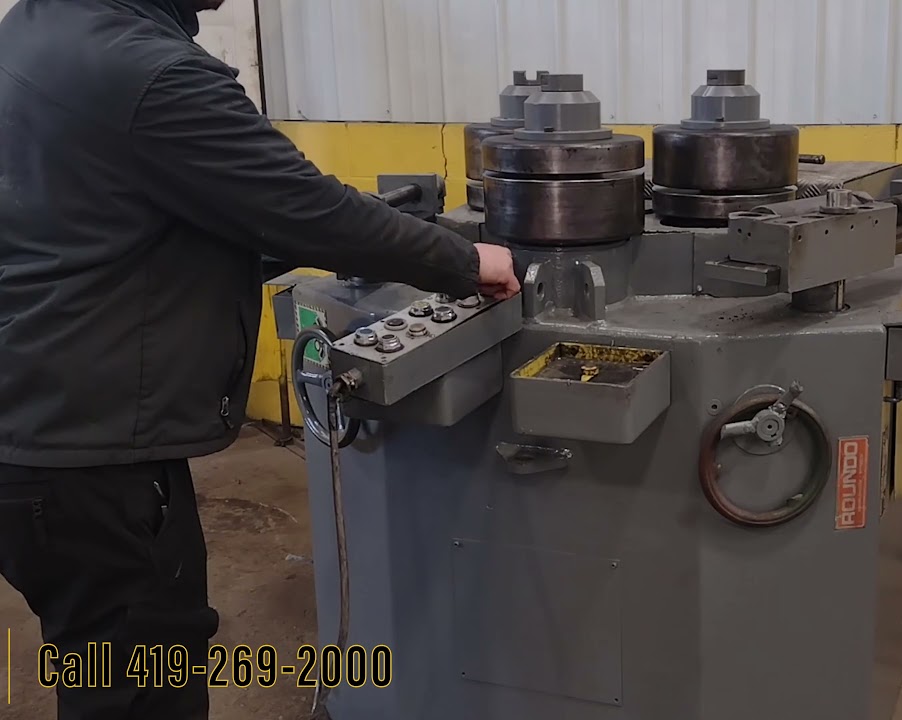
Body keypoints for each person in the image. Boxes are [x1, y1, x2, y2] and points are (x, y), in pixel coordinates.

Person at [0, 0, 520, 717]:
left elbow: (139, 217)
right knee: (141, 680)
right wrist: (465, 261)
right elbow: (304, 209)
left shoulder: (38, 28)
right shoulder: (153, 74)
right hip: (91, 463)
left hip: (35, 426)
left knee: (103, 665)